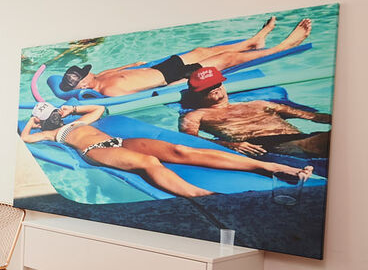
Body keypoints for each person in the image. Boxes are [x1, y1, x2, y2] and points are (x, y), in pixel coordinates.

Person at [21, 102, 312, 198]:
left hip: (119, 142)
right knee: (148, 162)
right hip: (96, 150)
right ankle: (206, 196)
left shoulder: (77, 118)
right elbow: (27, 139)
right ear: (45, 120)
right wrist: (33, 122)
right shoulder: (50, 131)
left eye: (55, 113)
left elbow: (98, 108)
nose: (56, 117)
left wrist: (73, 106)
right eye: (50, 116)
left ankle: (272, 168)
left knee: (180, 150)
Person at [57, 17, 311, 97]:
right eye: (81, 80)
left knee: (203, 51)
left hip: (162, 66)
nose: (86, 77)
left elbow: (124, 68)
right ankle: (283, 46)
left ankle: (253, 41)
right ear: (80, 85)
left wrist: (135, 64)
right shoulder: (109, 91)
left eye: (83, 74)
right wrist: (182, 83)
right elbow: (148, 90)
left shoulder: (100, 76)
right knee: (227, 59)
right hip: (171, 76)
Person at [178, 67, 331, 157]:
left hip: (298, 138)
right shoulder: (195, 115)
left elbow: (312, 116)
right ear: (197, 94)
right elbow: (190, 140)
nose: (214, 88)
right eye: (207, 88)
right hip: (261, 145)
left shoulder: (259, 104)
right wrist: (231, 145)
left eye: (216, 83)